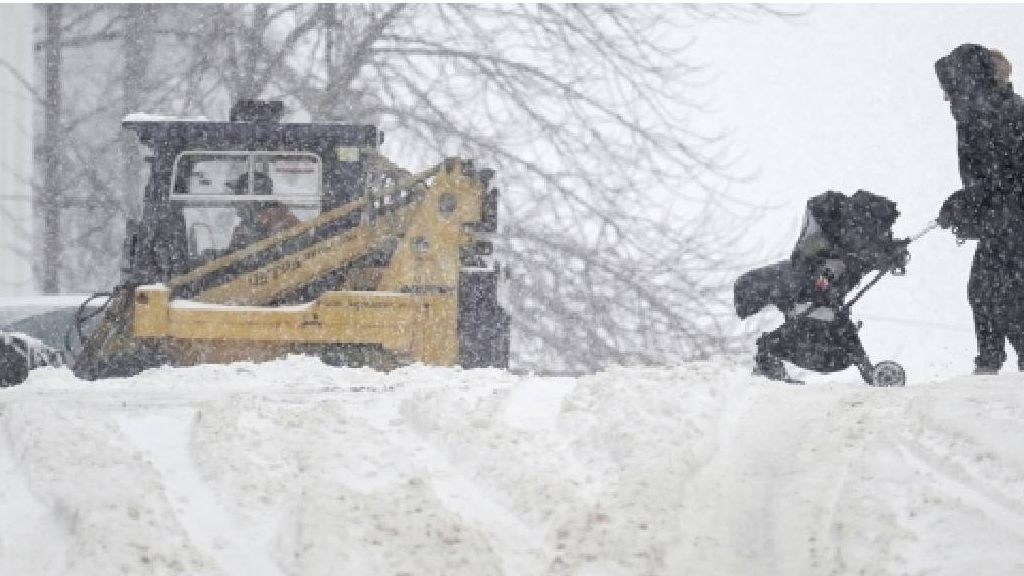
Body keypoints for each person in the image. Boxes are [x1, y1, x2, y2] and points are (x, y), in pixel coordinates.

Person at [734, 190, 909, 383]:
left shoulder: (846, 242)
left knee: (829, 324)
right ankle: (769, 357)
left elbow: (861, 255)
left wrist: (889, 251)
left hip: (815, 295)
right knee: (824, 325)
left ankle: (769, 357)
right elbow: (859, 256)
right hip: (812, 295)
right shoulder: (842, 243)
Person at [934, 43, 1024, 375]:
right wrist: (966, 206)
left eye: (950, 88)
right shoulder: (980, 117)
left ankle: (989, 366)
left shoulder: (1003, 115)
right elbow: (987, 181)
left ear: (969, 81)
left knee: (994, 292)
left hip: (1014, 221)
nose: (946, 98)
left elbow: (1006, 177)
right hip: (1006, 221)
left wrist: (971, 200)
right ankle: (990, 364)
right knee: (993, 292)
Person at [226, 170, 300, 249]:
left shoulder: (280, 221)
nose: (233, 202)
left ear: (257, 199)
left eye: (238, 195)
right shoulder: (252, 221)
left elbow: (261, 256)